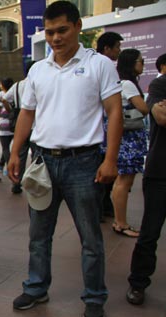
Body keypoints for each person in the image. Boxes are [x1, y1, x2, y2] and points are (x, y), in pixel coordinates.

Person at [7, 1, 122, 317]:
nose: (55, 38)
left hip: (83, 163)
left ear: (78, 27)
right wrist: (15, 153)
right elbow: (27, 113)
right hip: (42, 162)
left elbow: (114, 111)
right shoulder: (39, 70)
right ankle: (36, 286)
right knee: (38, 233)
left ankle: (95, 297)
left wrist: (110, 159)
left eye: (62, 30)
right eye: (50, 31)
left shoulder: (99, 64)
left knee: (90, 237)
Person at [126, 75, 166, 305]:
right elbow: (160, 117)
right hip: (160, 171)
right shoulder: (161, 84)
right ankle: (138, 282)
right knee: (150, 232)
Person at [111, 49, 149, 238]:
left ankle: (119, 220)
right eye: (141, 61)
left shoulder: (119, 82)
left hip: (123, 137)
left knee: (122, 180)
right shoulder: (128, 85)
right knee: (124, 181)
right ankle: (121, 222)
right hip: (129, 139)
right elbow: (143, 108)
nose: (143, 64)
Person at [96, 31, 122, 220]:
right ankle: (102, 205)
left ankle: (103, 205)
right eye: (116, 47)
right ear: (107, 48)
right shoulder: (100, 66)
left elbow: (115, 112)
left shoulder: (104, 67)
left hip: (104, 136)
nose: (118, 51)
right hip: (98, 136)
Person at [2, 61, 36, 195]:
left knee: (20, 156)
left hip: (19, 126)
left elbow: (4, 98)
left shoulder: (18, 85)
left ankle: (16, 183)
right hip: (35, 125)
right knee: (36, 156)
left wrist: (10, 109)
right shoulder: (36, 84)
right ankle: (36, 181)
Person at [0, 78, 14, 176]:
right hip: (13, 123)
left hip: (4, 123)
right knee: (6, 146)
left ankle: (9, 167)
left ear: (3, 85)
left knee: (5, 147)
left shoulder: (2, 94)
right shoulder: (15, 93)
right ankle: (1, 164)